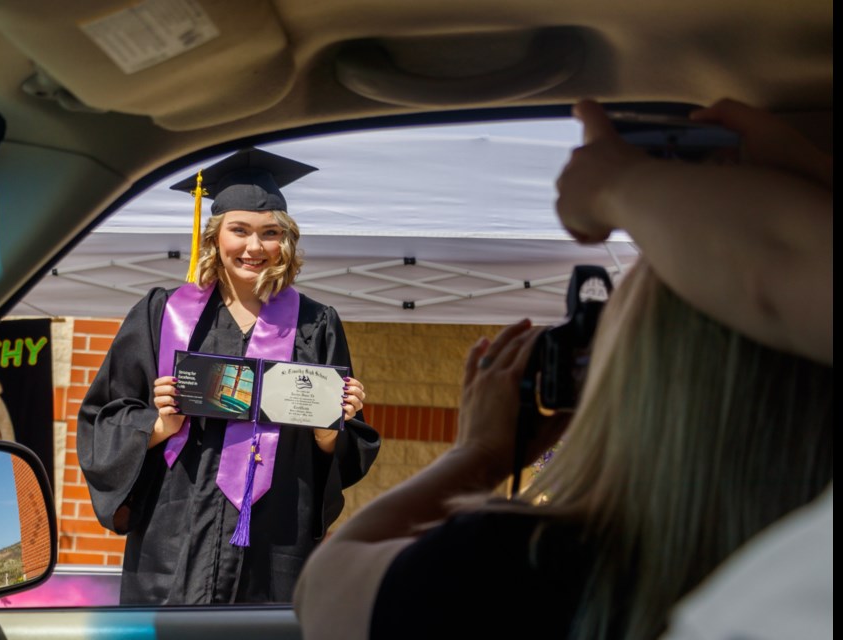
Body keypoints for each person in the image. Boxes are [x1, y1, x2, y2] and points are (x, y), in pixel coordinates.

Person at [293, 101, 833, 639]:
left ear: (637, 375)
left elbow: (325, 591)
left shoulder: (534, 566)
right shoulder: (806, 571)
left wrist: (478, 454)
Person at [77, 147, 381, 605]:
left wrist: (327, 434)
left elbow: (344, 449)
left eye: (270, 233)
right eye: (239, 231)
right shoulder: (162, 314)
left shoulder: (316, 323)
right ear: (216, 237)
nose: (254, 248)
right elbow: (103, 416)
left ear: (287, 240)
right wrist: (157, 427)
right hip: (174, 534)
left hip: (275, 540)